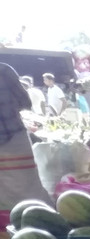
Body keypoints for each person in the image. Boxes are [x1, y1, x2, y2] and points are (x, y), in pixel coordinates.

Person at [0, 63, 53, 220]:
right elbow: (25, 102)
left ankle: (6, 224)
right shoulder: (4, 70)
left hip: (12, 136)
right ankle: (40, 219)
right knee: (27, 184)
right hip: (14, 137)